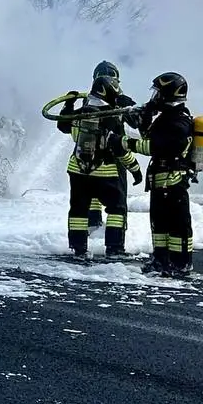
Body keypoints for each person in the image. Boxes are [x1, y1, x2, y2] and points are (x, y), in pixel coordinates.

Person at [57, 60, 143, 259]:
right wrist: (135, 168)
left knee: (78, 209)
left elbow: (63, 126)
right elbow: (122, 142)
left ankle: (79, 248)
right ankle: (114, 248)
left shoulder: (83, 109)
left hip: (79, 168)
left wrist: (68, 104)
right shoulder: (113, 112)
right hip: (109, 169)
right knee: (117, 209)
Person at [123, 72, 196, 277]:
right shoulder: (166, 118)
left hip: (173, 183)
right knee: (160, 225)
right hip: (161, 183)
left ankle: (180, 263)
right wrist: (142, 118)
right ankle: (161, 260)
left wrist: (125, 143)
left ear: (167, 94)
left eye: (158, 93)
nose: (154, 97)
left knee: (178, 226)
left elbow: (156, 146)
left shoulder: (179, 122)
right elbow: (150, 135)